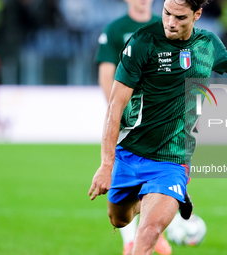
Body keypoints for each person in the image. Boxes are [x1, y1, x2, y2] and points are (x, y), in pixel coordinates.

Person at [89, 0, 227, 254]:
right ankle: (162, 198)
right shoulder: (143, 41)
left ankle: (166, 194)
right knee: (118, 219)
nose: (170, 22)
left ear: (197, 14)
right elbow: (115, 105)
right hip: (131, 151)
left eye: (180, 17)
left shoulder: (207, 44)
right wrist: (106, 165)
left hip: (173, 159)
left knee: (147, 234)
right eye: (166, 13)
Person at [95, 1, 172, 254]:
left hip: (161, 120)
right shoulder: (116, 29)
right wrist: (118, 113)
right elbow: (107, 72)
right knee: (126, 178)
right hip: (129, 119)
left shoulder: (168, 27)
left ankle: (143, 235)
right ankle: (135, 237)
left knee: (164, 168)